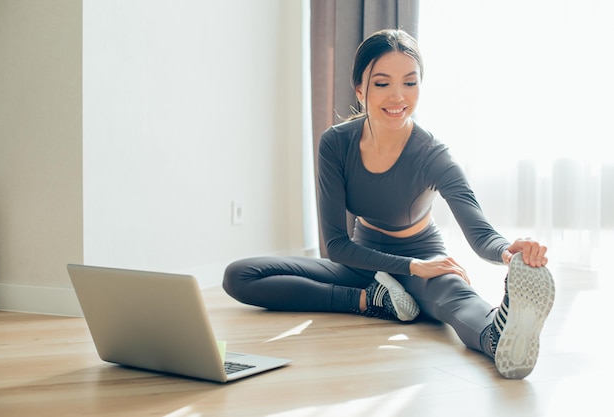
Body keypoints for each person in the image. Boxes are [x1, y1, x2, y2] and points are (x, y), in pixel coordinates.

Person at [223, 28, 555, 379]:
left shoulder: (433, 155)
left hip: (423, 259)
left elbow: (479, 229)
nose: (398, 96)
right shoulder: (336, 144)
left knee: (457, 299)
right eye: (382, 83)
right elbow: (336, 245)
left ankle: (498, 335)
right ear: (360, 88)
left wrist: (508, 253)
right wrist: (404, 269)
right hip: (362, 262)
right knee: (240, 275)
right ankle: (373, 300)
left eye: (410, 83)